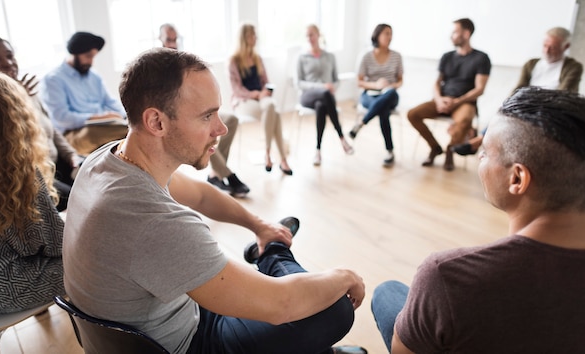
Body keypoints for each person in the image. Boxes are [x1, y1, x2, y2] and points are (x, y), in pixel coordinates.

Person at [63, 48, 367, 354]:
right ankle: (273, 254)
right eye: (207, 115)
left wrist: (259, 226)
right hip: (190, 343)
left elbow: (200, 194)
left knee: (306, 301)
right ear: (156, 122)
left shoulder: (106, 160)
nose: (220, 128)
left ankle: (271, 249)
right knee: (333, 308)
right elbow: (282, 304)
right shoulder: (155, 222)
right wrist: (344, 276)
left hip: (161, 318)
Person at [371, 86, 585, 353]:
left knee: (387, 292)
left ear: (517, 179)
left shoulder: (448, 276)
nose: (479, 158)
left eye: (485, 151)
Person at [0, 70, 64, 314]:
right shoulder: (15, 176)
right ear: (15, 117)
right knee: (102, 258)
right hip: (10, 291)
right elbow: (55, 246)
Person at [0, 34, 83, 211]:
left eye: (10, 56)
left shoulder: (28, 91)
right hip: (32, 174)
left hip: (56, 164)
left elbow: (53, 131)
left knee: (95, 171)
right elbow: (12, 150)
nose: (8, 63)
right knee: (79, 200)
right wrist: (19, 104)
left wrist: (72, 155)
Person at [452, 26, 583, 156]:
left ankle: (480, 142)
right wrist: (508, 103)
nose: (547, 50)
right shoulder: (532, 64)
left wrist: (530, 100)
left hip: (551, 110)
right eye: (545, 45)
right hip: (527, 104)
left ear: (565, 47)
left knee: (516, 119)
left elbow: (563, 94)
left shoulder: (573, 67)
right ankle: (482, 141)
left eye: (552, 47)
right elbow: (518, 88)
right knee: (504, 112)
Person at [159, 23, 250, 197]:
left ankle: (216, 173)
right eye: (168, 40)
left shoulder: (183, 60)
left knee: (231, 119)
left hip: (198, 109)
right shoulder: (156, 65)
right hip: (180, 116)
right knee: (205, 130)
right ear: (160, 39)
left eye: (175, 39)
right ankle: (227, 175)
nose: (172, 43)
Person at [407, 18, 491, 171]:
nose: (451, 36)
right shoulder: (447, 56)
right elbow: (437, 82)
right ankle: (435, 148)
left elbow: (480, 89)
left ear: (466, 34)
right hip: (443, 98)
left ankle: (450, 151)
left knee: (465, 119)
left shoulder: (481, 58)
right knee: (412, 114)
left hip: (465, 102)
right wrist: (439, 99)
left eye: (454, 32)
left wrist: (457, 102)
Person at [40, 31, 128, 155]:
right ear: (74, 54)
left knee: (130, 127)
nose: (91, 62)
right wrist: (99, 117)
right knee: (124, 132)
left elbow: (109, 101)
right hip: (74, 134)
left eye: (93, 57)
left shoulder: (94, 76)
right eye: (88, 56)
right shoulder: (53, 79)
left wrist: (127, 115)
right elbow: (61, 117)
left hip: (105, 127)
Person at [229, 23, 293, 175]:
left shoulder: (258, 58)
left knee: (272, 107)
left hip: (261, 99)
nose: (256, 38)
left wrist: (265, 91)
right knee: (274, 113)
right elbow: (236, 89)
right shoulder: (234, 61)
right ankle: (281, 159)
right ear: (245, 38)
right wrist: (256, 94)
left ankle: (269, 154)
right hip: (243, 101)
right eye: (252, 35)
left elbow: (266, 81)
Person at [297, 24, 354, 166]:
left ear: (318, 35)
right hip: (307, 96)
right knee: (325, 94)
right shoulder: (302, 57)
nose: (309, 38)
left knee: (321, 106)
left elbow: (336, 81)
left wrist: (331, 87)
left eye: (311, 34)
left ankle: (318, 151)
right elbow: (299, 83)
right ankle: (342, 138)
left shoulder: (330, 56)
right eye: (307, 35)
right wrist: (322, 87)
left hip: (325, 97)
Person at [349, 23, 403, 167]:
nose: (389, 37)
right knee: (383, 111)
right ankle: (390, 151)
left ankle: (361, 123)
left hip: (389, 93)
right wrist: (376, 85)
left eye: (391, 34)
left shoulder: (396, 56)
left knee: (389, 96)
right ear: (377, 35)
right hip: (370, 94)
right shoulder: (366, 56)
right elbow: (359, 82)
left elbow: (400, 81)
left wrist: (389, 86)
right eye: (386, 33)